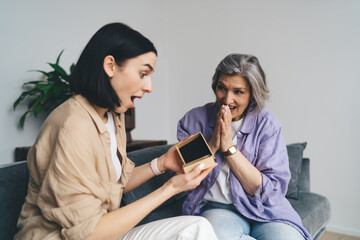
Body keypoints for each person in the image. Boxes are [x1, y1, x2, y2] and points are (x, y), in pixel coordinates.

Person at [15, 23, 218, 240]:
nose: (149, 86)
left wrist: (161, 164)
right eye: (142, 73)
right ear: (110, 66)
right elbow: (87, 233)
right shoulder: (73, 125)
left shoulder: (113, 115)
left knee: (196, 228)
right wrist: (169, 188)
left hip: (104, 232)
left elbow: (115, 183)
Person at [177, 53, 312, 240]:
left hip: (266, 211)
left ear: (252, 95)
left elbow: (271, 190)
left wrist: (229, 148)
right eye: (221, 88)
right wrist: (213, 144)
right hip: (218, 209)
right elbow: (181, 178)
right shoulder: (193, 121)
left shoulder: (268, 126)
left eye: (238, 92)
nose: (227, 99)